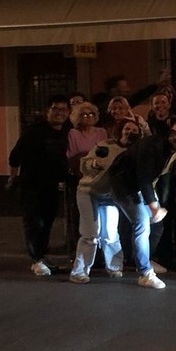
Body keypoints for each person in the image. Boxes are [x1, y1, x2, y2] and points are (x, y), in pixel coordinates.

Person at [105, 120, 176, 290]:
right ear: (170, 132)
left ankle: (142, 260)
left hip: (141, 187)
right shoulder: (152, 146)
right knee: (142, 223)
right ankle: (145, 273)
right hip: (124, 186)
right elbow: (144, 177)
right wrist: (153, 206)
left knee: (157, 226)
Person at [69, 118, 140, 283]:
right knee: (90, 233)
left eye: (134, 130)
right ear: (121, 130)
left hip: (110, 196)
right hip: (89, 191)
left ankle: (114, 267)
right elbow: (84, 164)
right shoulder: (106, 145)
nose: (130, 132)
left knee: (110, 233)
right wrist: (93, 164)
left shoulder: (136, 152)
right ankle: (79, 272)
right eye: (127, 128)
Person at [7, 95, 70, 276]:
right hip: (31, 184)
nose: (59, 113)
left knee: (47, 222)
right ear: (47, 111)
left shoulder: (68, 132)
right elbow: (15, 156)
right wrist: (13, 177)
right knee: (34, 222)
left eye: (63, 109)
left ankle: (42, 255)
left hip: (53, 185)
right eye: (55, 109)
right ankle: (36, 259)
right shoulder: (34, 131)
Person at [65, 102, 108, 257]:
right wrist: (87, 160)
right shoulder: (73, 133)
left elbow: (105, 153)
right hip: (80, 178)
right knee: (81, 218)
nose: (88, 117)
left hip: (100, 178)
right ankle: (79, 253)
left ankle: (101, 253)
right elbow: (73, 155)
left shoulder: (102, 132)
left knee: (102, 218)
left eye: (91, 114)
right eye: (84, 114)